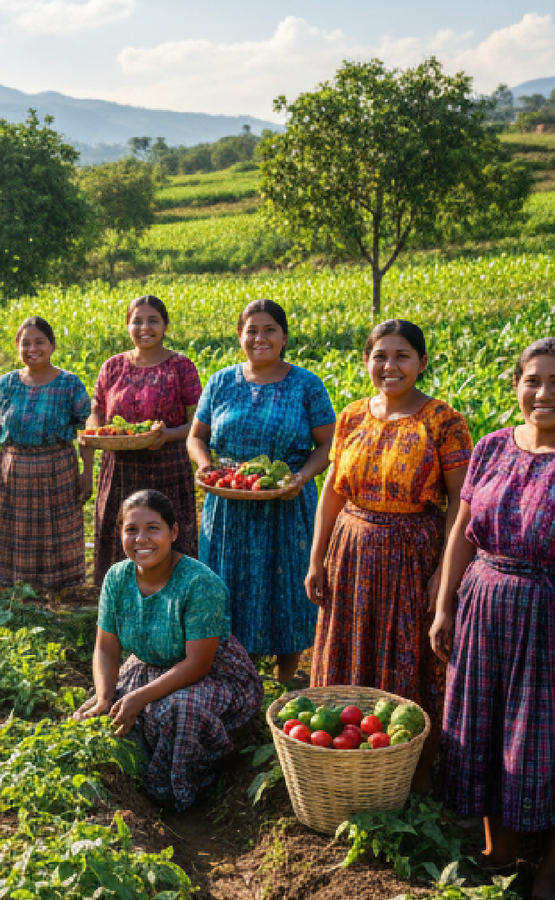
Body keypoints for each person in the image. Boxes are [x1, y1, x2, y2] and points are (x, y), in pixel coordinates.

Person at [431, 339, 555, 900]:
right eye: (532, 381)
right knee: (485, 730)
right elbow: (461, 533)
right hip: (485, 608)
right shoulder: (493, 447)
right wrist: (446, 603)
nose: (543, 393)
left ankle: (550, 870)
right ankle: (500, 852)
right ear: (517, 386)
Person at [305, 320, 471, 791]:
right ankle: (342, 764)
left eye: (402, 356)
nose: (390, 366)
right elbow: (333, 494)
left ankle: (410, 775)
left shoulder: (443, 420)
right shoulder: (354, 415)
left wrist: (444, 570)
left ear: (421, 363)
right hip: (352, 552)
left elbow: (462, 500)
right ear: (366, 361)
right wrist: (317, 558)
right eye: (380, 356)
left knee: (410, 659)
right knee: (348, 653)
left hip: (413, 555)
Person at [72, 490, 262, 811]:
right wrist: (106, 697)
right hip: (149, 664)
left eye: (153, 528)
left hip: (213, 673)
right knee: (98, 712)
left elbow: (197, 664)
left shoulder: (200, 585)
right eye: (131, 529)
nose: (141, 539)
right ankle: (133, 786)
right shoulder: (117, 578)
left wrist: (140, 696)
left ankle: (182, 794)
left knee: (179, 710)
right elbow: (106, 648)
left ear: (173, 533)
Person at [187, 299, 335, 684]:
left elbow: (327, 445)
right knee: (228, 583)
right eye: (251, 330)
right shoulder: (221, 382)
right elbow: (196, 437)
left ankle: (286, 677)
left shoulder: (306, 384)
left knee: (284, 584)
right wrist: (206, 467)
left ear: (284, 337)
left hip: (286, 499)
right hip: (229, 505)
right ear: (240, 336)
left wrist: (300, 477)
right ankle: (239, 671)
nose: (260, 338)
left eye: (269, 329)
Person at [87, 295, 204, 583]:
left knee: (164, 534)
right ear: (128, 325)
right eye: (137, 321)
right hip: (119, 468)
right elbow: (97, 411)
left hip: (168, 468)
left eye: (153, 320)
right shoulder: (112, 367)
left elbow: (198, 423)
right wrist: (97, 433)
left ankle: (172, 600)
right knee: (121, 532)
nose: (145, 327)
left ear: (165, 325)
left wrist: (167, 436)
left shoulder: (181, 367)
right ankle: (119, 600)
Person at [0, 316, 93, 593]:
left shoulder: (70, 384)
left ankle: (60, 589)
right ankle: (17, 589)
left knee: (58, 530)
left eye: (39, 342)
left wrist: (87, 473)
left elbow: (86, 433)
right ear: (17, 347)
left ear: (52, 345)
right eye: (25, 343)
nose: (33, 348)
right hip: (15, 469)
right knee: (19, 533)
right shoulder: (6, 384)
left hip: (58, 469)